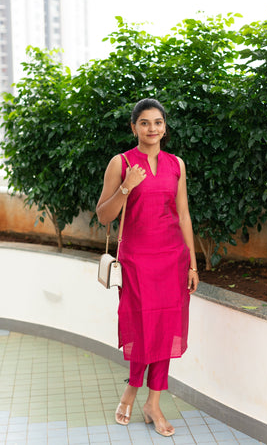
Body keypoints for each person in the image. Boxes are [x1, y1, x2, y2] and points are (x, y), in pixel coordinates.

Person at [96, 98, 199, 437]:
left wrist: (193, 264)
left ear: (164, 127)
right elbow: (103, 216)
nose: (152, 128)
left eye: (158, 122)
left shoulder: (177, 164)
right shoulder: (121, 162)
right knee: (142, 327)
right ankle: (131, 391)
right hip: (137, 260)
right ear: (133, 127)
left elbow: (183, 214)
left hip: (173, 259)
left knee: (165, 326)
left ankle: (153, 402)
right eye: (144, 122)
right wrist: (127, 187)